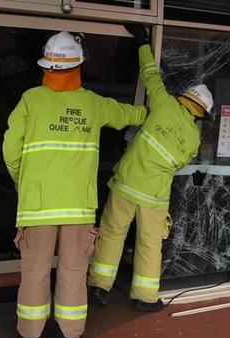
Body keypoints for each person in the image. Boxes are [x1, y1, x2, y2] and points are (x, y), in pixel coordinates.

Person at [2, 31, 147, 338]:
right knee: (73, 272)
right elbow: (131, 115)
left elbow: (10, 149)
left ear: (46, 68)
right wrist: (158, 113)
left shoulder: (31, 100)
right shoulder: (93, 105)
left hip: (37, 206)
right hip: (78, 207)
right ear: (79, 66)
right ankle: (69, 335)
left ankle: (30, 336)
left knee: (35, 271)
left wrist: (22, 180)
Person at [87, 24, 214, 312]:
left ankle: (98, 287)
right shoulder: (194, 138)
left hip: (126, 184)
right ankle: (144, 298)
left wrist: (143, 42)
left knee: (112, 234)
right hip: (154, 197)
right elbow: (182, 163)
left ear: (185, 98)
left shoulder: (162, 103)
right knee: (149, 245)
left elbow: (150, 74)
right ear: (202, 114)